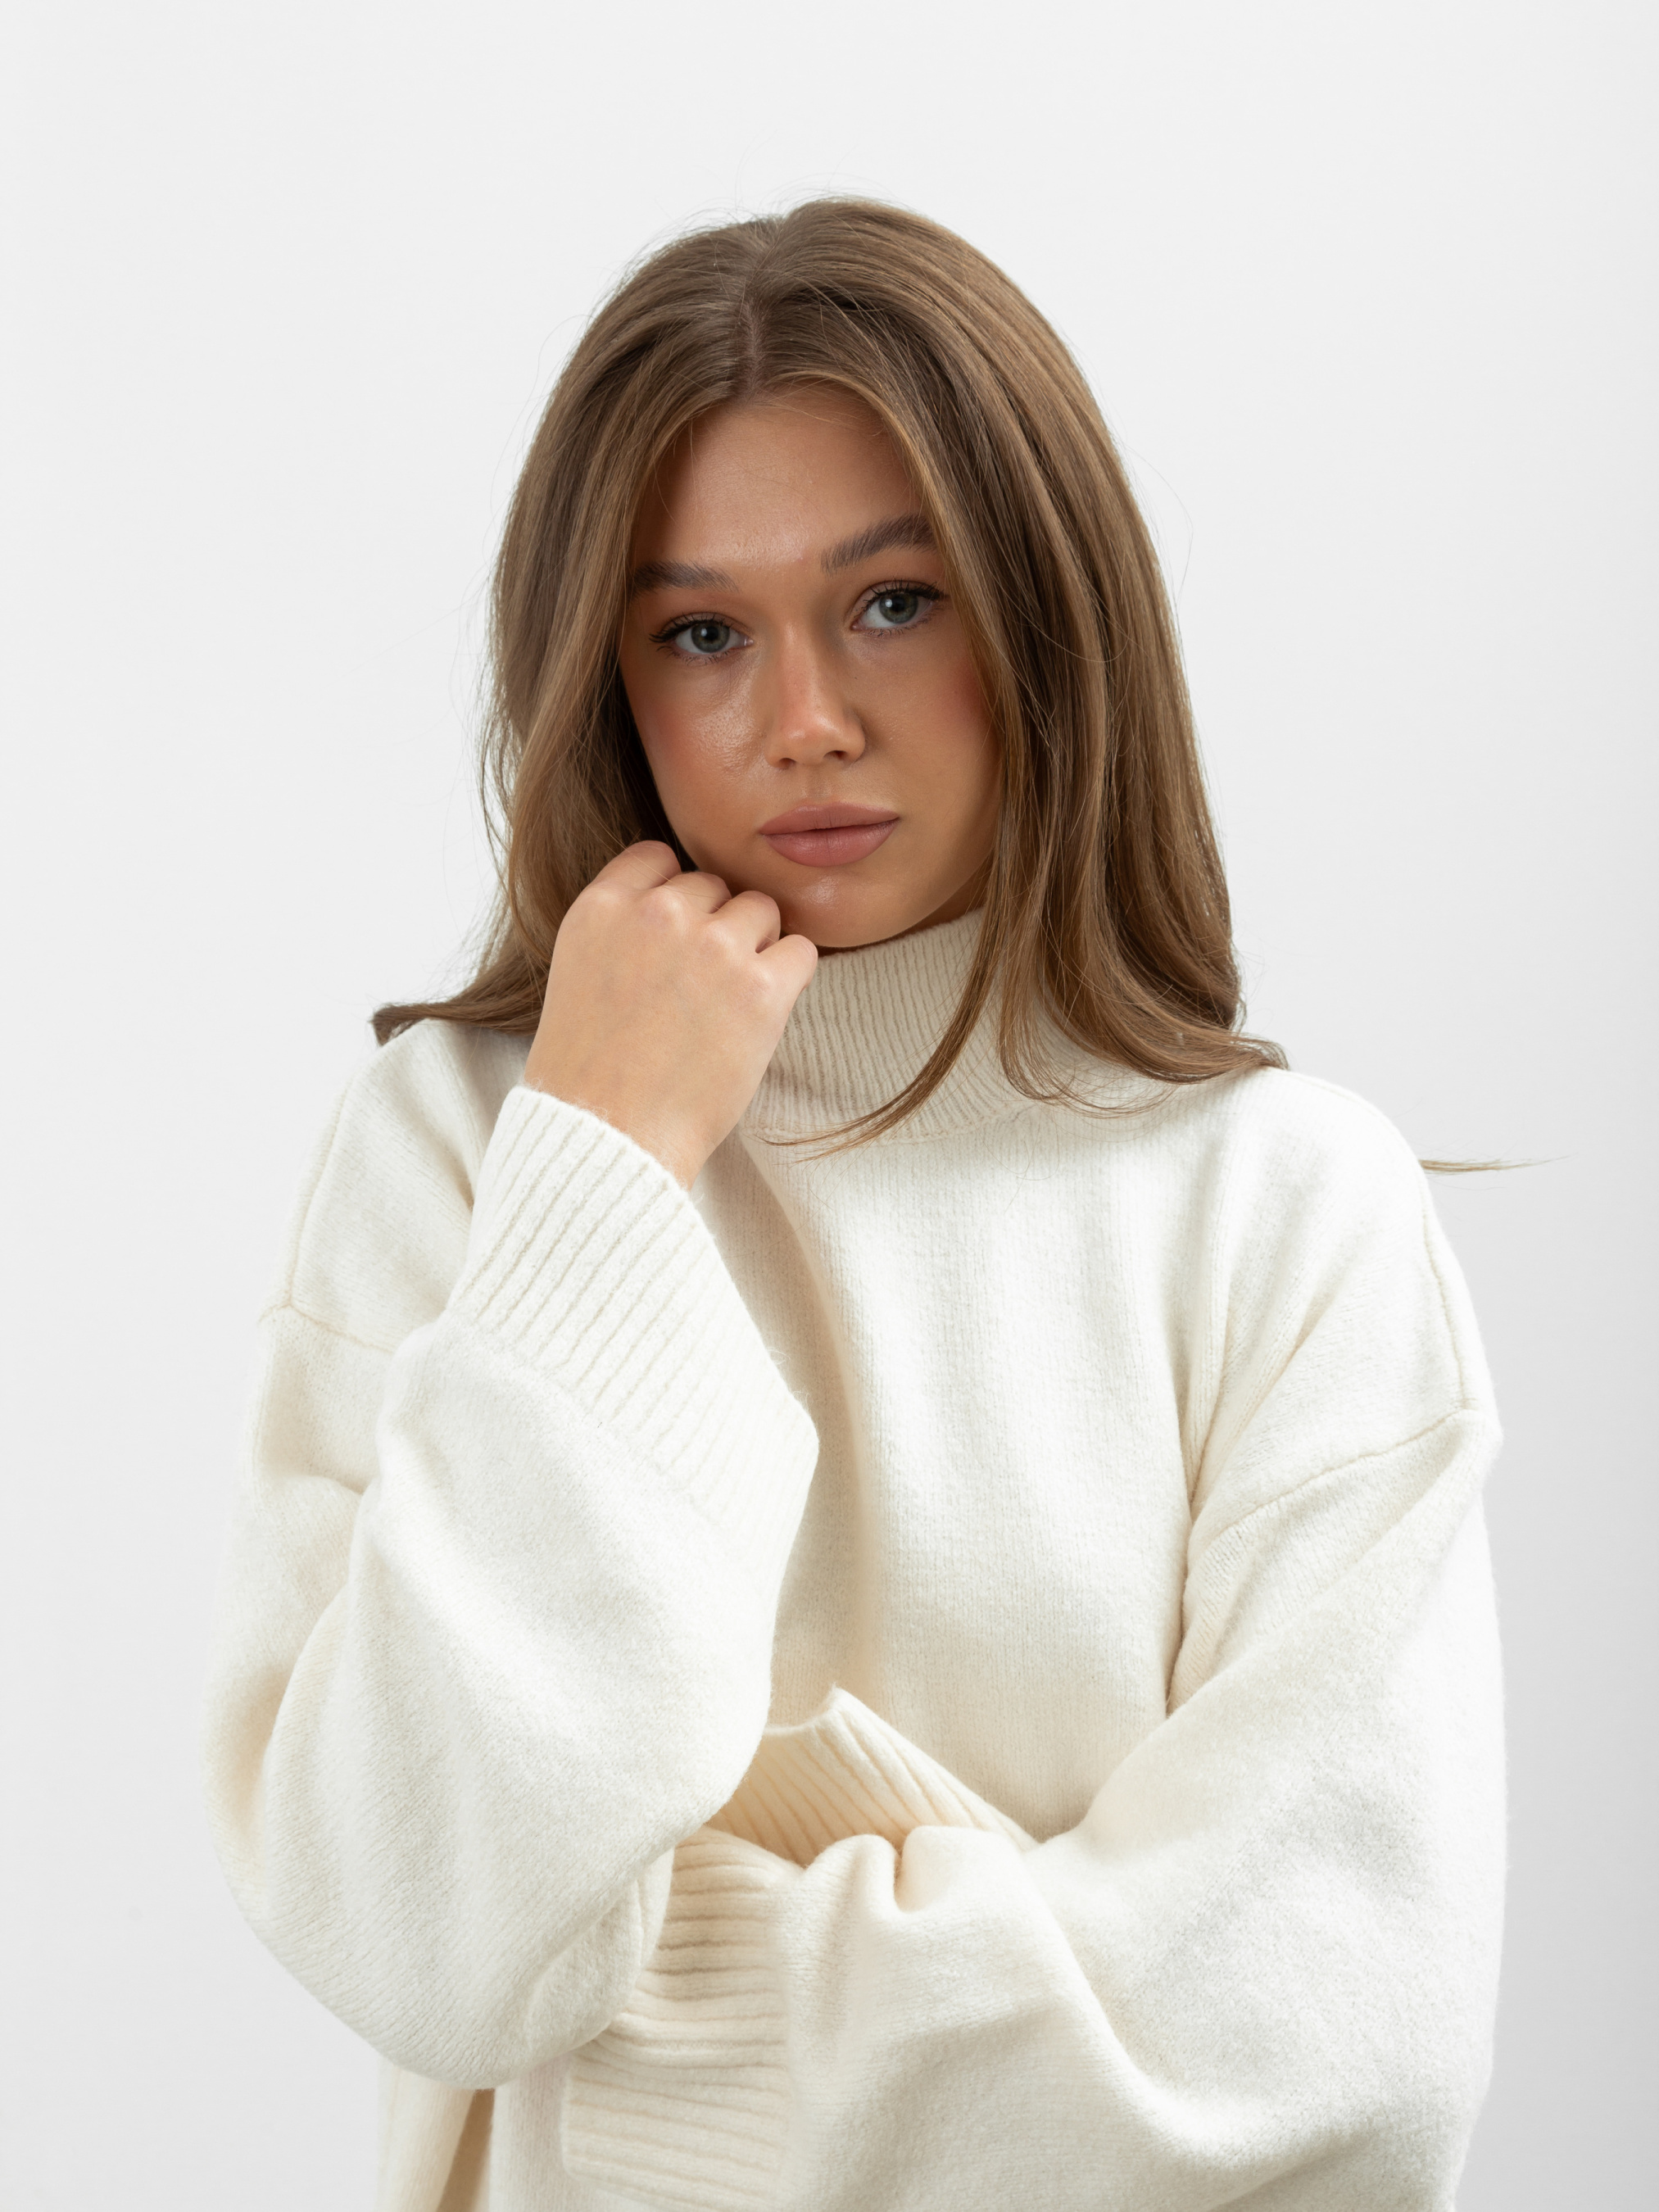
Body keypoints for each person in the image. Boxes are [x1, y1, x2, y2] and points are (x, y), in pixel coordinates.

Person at [202, 199, 1505, 2212]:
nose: (800, 715)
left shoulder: (1285, 1208)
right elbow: (422, 1935)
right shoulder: (468, 1148)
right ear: (606, 678)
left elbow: (1335, 2061)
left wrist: (633, 2044)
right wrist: (603, 1170)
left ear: (1042, 613)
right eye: (699, 633)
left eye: (893, 602)